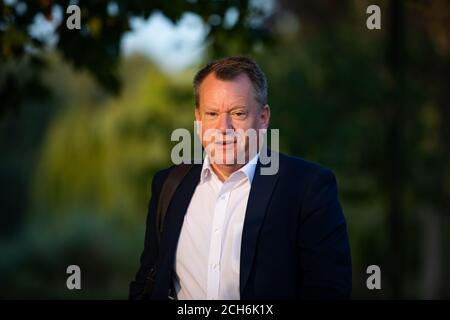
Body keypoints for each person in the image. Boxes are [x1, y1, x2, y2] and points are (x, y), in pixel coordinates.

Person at [129, 56, 351, 300]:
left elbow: (329, 292)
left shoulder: (307, 187)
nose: (224, 128)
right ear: (198, 119)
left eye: (238, 113)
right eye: (212, 113)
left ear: (263, 118)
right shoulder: (168, 184)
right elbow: (147, 281)